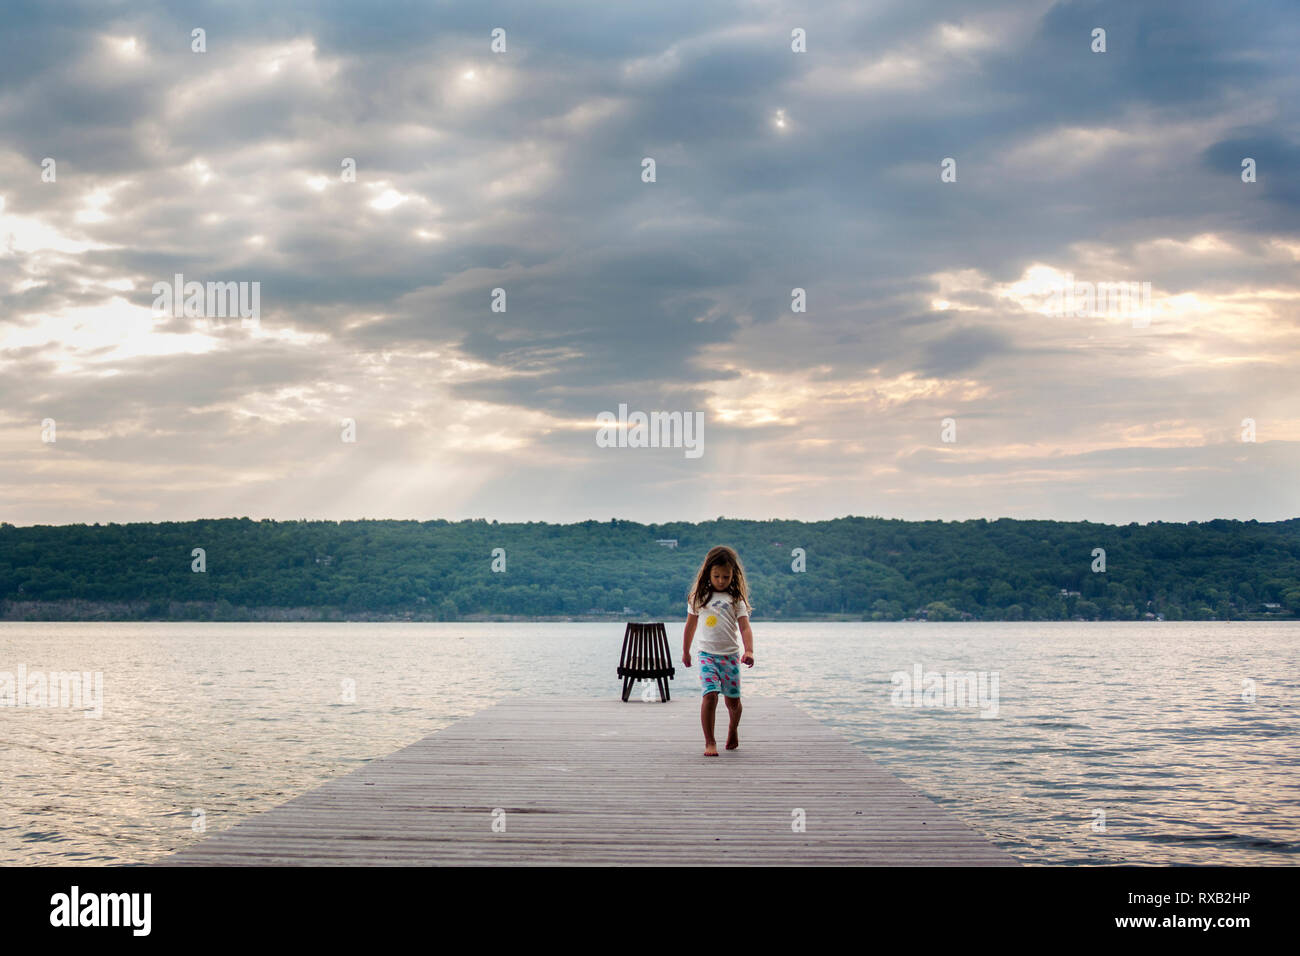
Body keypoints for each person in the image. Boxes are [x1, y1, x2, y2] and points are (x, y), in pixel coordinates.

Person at [681, 545, 754, 756]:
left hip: (730, 657)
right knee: (710, 695)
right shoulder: (699, 597)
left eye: (726, 576)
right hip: (706, 655)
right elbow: (690, 626)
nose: (721, 580)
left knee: (733, 702)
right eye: (716, 576)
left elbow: (745, 627)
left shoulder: (735, 600)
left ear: (733, 575)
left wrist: (749, 651)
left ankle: (733, 728)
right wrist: (686, 651)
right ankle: (710, 741)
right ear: (708, 574)